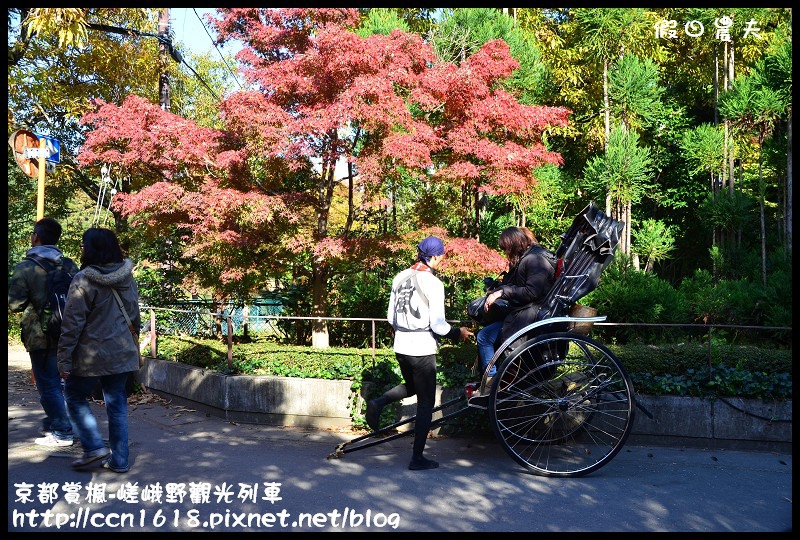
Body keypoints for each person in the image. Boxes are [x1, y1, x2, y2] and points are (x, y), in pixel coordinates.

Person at [366, 236, 473, 471]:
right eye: (442, 256)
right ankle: (417, 458)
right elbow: (438, 325)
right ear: (434, 257)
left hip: (401, 344)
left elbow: (390, 318)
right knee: (426, 402)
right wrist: (458, 333)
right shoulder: (433, 284)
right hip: (422, 348)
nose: (443, 260)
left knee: (413, 387)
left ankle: (378, 402)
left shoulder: (399, 276)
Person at [58, 227, 140, 473]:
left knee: (73, 396)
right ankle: (120, 460)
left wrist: (63, 360)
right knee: (116, 403)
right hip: (122, 351)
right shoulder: (127, 277)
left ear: (91, 249)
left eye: (84, 245)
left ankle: (93, 446)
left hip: (91, 354)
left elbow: (72, 324)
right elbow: (134, 316)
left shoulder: (84, 279)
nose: (82, 249)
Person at [8, 217, 78, 447]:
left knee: (48, 383)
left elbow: (14, 304)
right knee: (64, 383)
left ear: (35, 237)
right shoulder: (69, 265)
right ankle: (64, 424)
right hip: (70, 332)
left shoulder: (25, 267)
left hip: (41, 335)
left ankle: (63, 432)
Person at [473, 226, 556, 395]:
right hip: (523, 313)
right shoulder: (529, 256)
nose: (506, 253)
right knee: (485, 335)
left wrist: (503, 292)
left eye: (506, 249)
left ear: (514, 244)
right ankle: (491, 381)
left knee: (485, 336)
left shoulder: (534, 259)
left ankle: (492, 384)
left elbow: (531, 292)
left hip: (529, 316)